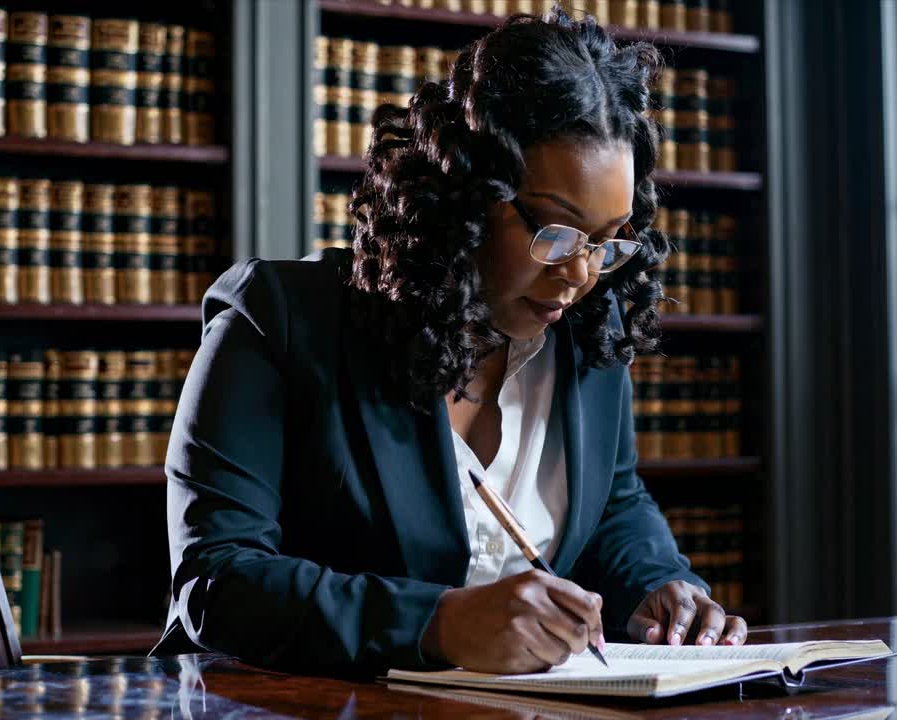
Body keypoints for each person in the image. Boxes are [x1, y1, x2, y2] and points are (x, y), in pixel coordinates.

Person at [152, 7, 747, 677]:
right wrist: (436, 623)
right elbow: (217, 583)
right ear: (463, 196)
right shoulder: (278, 318)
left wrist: (662, 586)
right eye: (553, 231)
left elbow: (614, 501)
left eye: (608, 242)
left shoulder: (581, 326)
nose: (579, 272)